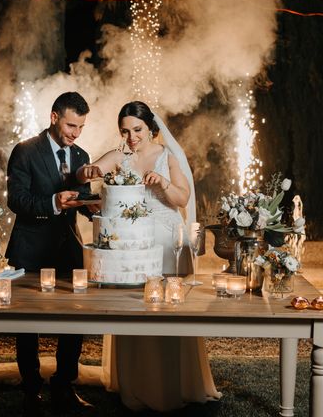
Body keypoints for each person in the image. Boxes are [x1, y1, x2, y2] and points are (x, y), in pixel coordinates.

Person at [77, 100, 221, 411]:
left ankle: (175, 384)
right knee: (132, 309)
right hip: (132, 243)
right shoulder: (120, 156)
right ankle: (136, 385)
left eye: (137, 130)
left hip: (167, 243)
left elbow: (182, 199)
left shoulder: (166, 156)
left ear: (150, 128)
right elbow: (90, 171)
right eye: (125, 131)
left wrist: (164, 183)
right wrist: (86, 170)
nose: (131, 137)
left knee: (169, 313)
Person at [5, 91, 94, 416]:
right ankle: (31, 390)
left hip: (69, 252)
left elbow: (83, 201)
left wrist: (98, 208)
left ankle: (63, 386)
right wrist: (54, 203)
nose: (76, 133)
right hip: (30, 251)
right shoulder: (25, 151)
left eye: (81, 127)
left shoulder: (82, 154)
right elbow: (16, 200)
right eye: (72, 125)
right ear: (54, 117)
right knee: (27, 325)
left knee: (74, 321)